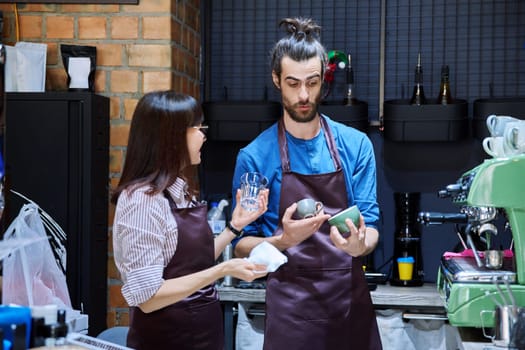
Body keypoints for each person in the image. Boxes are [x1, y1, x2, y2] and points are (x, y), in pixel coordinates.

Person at [231, 17, 382, 349]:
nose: (303, 95)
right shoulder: (255, 157)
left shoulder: (356, 146)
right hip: (291, 310)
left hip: (348, 306)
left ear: (323, 80)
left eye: (312, 83)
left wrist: (360, 245)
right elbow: (242, 244)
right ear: (276, 80)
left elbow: (370, 224)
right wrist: (284, 239)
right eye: (293, 83)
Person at [111, 91, 269, 350]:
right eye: (197, 127)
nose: (203, 135)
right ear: (170, 136)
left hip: (202, 337)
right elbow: (148, 297)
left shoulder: (179, 190)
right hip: (166, 340)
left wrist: (234, 227)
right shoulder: (141, 200)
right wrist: (223, 270)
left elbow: (193, 264)